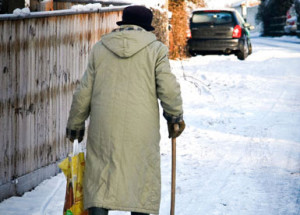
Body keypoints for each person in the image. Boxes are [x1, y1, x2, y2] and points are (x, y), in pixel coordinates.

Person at [66, 5, 185, 215]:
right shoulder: (155, 49)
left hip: (104, 127)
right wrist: (174, 115)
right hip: (141, 129)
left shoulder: (100, 48)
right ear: (147, 27)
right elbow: (168, 87)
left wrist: (75, 124)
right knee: (139, 176)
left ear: (123, 23)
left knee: (101, 175)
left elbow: (83, 91)